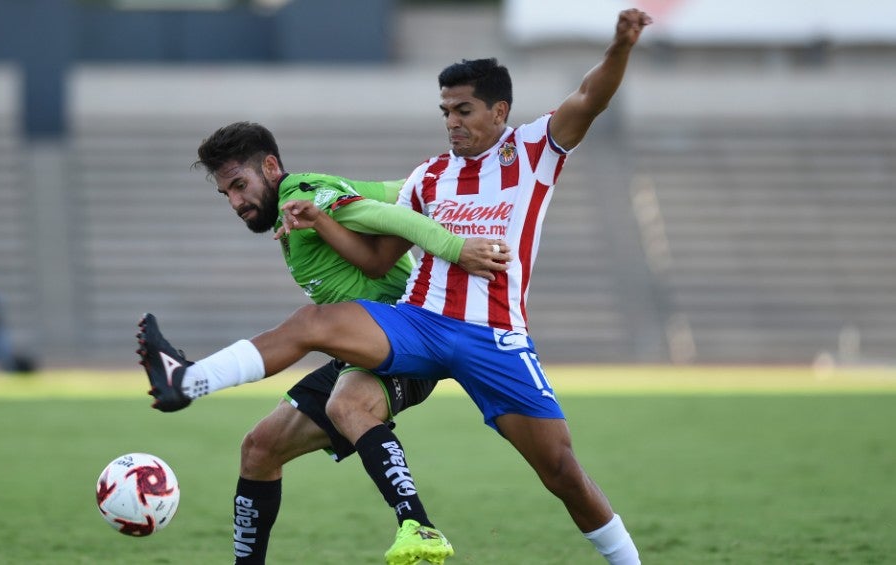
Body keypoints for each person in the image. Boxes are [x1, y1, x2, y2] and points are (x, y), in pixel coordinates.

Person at [138, 9, 650, 564]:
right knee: (317, 340)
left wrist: (620, 46)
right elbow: (380, 262)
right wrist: (327, 223)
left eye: (464, 110)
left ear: (499, 110)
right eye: (445, 111)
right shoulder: (430, 176)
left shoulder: (532, 151)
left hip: (494, 334)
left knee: (562, 472)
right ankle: (188, 381)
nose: (452, 121)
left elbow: (590, 98)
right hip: (420, 322)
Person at [152, 121, 508, 565]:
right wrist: (445, 181)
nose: (237, 202)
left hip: (408, 340)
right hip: (360, 350)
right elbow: (398, 192)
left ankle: (420, 527)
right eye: (227, 194)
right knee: (260, 449)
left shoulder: (301, 190)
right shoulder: (309, 198)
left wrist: (457, 248)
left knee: (342, 395)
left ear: (270, 166)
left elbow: (395, 217)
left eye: (241, 185)